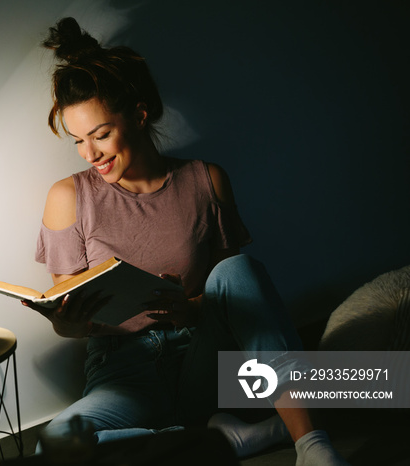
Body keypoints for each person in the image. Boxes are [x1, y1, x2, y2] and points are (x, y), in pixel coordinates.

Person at [23, 17, 348, 465]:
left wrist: (189, 306)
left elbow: (236, 299)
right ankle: (219, 438)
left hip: (205, 360)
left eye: (100, 135)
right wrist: (69, 321)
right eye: (79, 140)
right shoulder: (68, 197)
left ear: (139, 114)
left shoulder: (206, 180)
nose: (90, 154)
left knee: (239, 269)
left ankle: (312, 445)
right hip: (124, 376)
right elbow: (69, 317)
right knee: (54, 444)